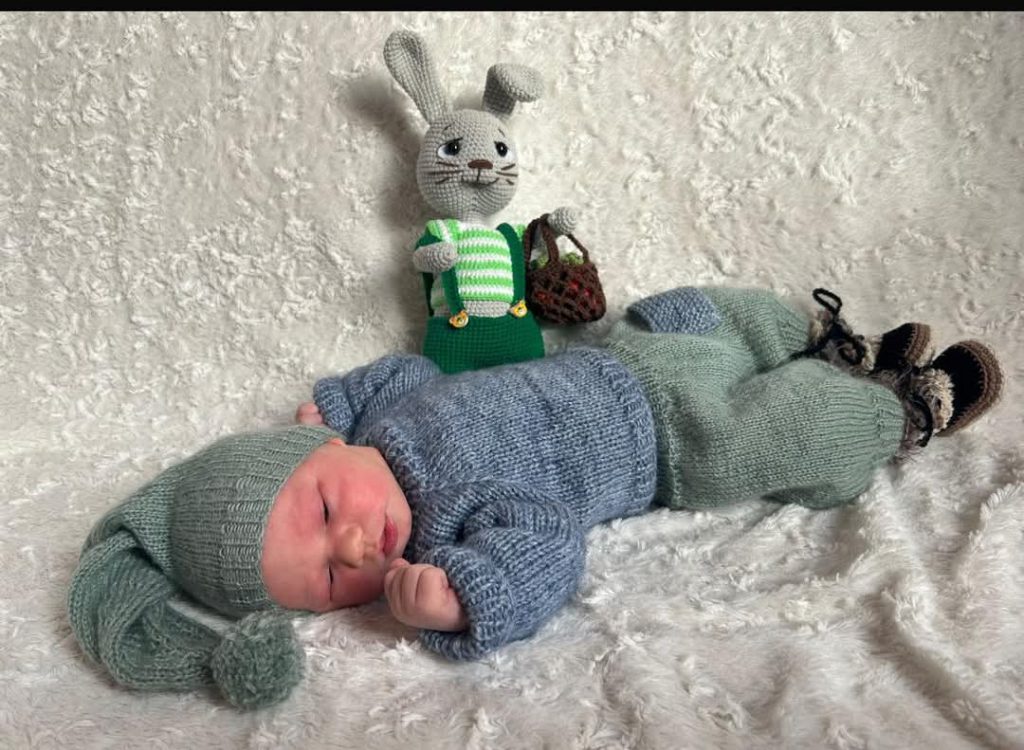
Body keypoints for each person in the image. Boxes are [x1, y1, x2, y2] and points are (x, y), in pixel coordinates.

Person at [66, 286, 1002, 710]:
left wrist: (339, 399)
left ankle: (822, 341)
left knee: (699, 311)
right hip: (677, 444)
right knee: (771, 436)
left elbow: (398, 368)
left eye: (319, 514)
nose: (353, 548)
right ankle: (895, 410)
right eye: (329, 583)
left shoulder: (374, 420)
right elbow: (549, 547)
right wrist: (465, 595)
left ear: (317, 448)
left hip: (627, 358)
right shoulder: (449, 532)